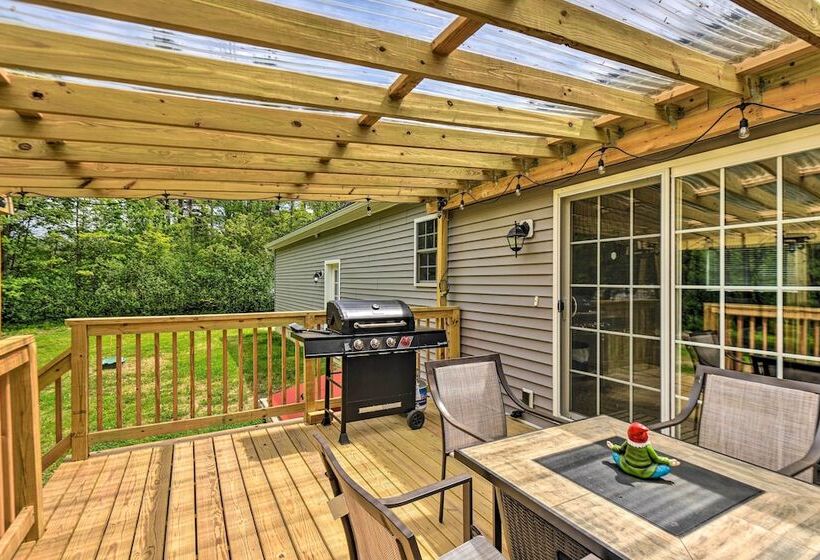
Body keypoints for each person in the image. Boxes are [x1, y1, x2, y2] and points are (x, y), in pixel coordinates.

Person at [607, 422, 680, 479]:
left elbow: (620, 450)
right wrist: (668, 461)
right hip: (644, 471)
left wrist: (613, 447)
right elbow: (656, 459)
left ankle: (629, 469)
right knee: (666, 469)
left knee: (615, 454)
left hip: (626, 465)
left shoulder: (627, 443)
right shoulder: (647, 447)